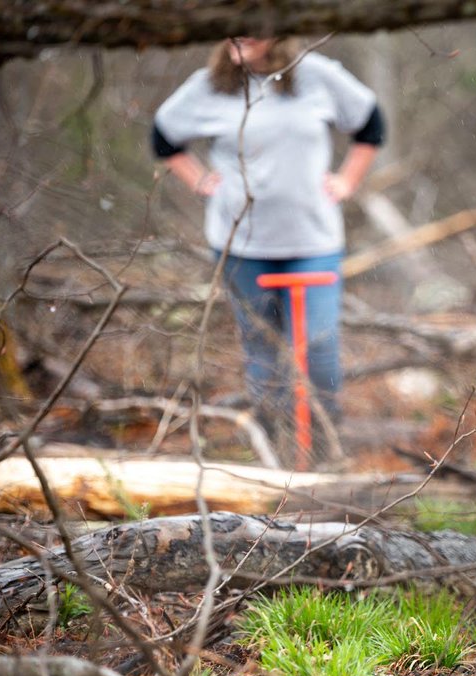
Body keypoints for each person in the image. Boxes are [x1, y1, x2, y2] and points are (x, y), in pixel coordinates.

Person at [152, 37, 385, 459]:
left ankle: (325, 449)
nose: (241, 37)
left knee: (318, 345)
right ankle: (273, 453)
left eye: (253, 28)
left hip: (312, 240)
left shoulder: (316, 75)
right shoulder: (208, 85)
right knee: (261, 350)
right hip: (241, 244)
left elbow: (371, 124)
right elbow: (164, 137)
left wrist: (347, 180)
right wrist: (200, 181)